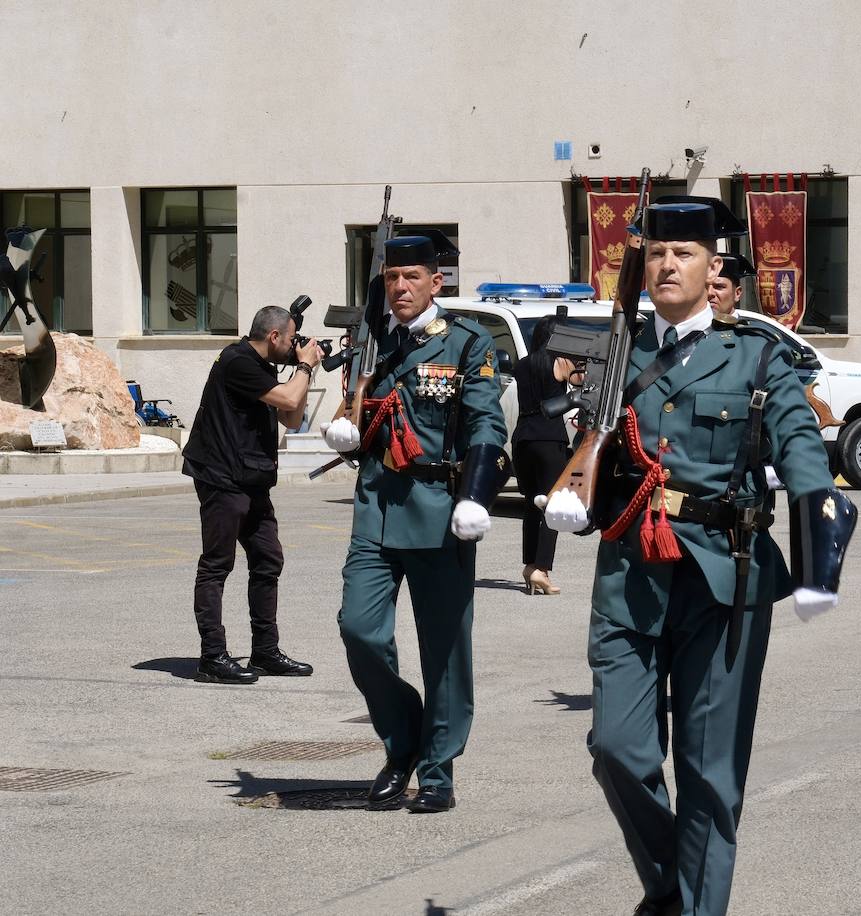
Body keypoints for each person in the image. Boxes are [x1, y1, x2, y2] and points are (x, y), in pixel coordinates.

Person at [543, 197, 854, 915]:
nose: (666, 265)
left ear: (715, 267)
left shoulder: (757, 354)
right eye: (654, 253)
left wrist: (816, 553)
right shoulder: (615, 351)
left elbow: (803, 451)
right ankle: (673, 889)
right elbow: (581, 443)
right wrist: (570, 480)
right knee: (616, 748)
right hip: (630, 574)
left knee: (709, 773)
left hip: (724, 574)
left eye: (682, 254)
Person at [321, 230, 509, 814]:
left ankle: (437, 768)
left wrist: (477, 494)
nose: (400, 288)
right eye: (392, 278)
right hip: (377, 507)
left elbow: (485, 425)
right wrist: (344, 432)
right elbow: (359, 411)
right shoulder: (370, 339)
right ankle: (403, 741)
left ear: (436, 281)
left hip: (438, 509)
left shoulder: (465, 343)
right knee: (360, 630)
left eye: (411, 278)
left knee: (445, 649)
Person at [181, 305, 322, 684]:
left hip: (252, 477)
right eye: (292, 339)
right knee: (217, 564)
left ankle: (264, 651)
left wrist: (302, 371)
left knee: (267, 559)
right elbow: (290, 403)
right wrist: (306, 366)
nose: (295, 345)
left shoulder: (264, 368)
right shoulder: (237, 360)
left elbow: (292, 418)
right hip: (222, 475)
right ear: (274, 336)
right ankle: (212, 657)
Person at [511, 316, 578, 594]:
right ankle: (542, 569)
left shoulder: (522, 365)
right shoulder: (562, 363)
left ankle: (529, 565)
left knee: (530, 504)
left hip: (523, 437)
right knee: (552, 506)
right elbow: (584, 383)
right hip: (549, 438)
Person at [706, 252, 755, 318]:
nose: (709, 293)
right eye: (704, 287)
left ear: (737, 293)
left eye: (719, 287)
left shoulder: (753, 328)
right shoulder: (690, 327)